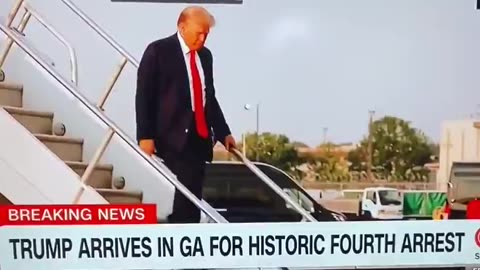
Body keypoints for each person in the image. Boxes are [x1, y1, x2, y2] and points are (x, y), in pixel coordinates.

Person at [135, 6, 236, 223]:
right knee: (186, 186)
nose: (203, 38)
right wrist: (145, 135)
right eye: (199, 33)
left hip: (199, 135)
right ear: (182, 27)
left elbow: (210, 98)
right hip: (171, 133)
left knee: (193, 193)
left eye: (206, 34)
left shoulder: (205, 57)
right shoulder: (158, 51)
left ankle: (185, 232)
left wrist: (223, 132)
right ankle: (180, 232)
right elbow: (144, 95)